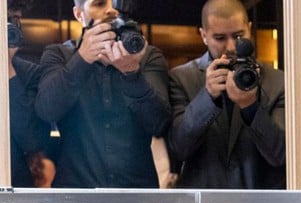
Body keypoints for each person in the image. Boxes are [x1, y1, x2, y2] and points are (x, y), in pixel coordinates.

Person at [35, 0, 170, 188]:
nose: (111, 10)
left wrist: (131, 73)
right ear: (79, 14)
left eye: (116, 2)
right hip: (76, 195)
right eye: (99, 4)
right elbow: (46, 110)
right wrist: (82, 59)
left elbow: (160, 124)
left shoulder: (147, 56)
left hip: (136, 197)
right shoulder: (59, 55)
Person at [167, 0, 286, 189]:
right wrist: (207, 97)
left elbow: (281, 154)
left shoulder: (278, 82)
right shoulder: (182, 78)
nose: (231, 47)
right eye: (220, 38)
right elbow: (178, 149)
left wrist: (250, 108)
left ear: (249, 29)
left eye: (239, 36)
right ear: (203, 35)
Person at [8, 0, 55, 187]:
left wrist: (8, 69)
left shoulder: (30, 74)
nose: (8, 26)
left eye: (14, 20)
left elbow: (32, 141)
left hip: (14, 190)